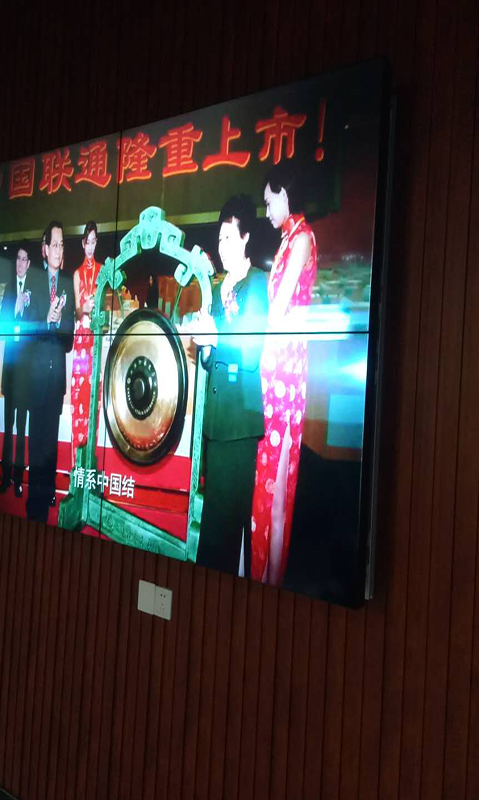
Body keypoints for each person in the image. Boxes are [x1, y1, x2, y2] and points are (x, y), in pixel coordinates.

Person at [191, 195, 268, 577]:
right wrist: (205, 343)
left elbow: (251, 352)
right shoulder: (222, 288)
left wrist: (216, 337)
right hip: (217, 423)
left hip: (239, 426)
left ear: (245, 238)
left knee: (224, 533)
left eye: (227, 238)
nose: (221, 246)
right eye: (218, 239)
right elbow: (210, 362)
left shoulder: (257, 285)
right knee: (213, 529)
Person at [250, 163, 318, 585]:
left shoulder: (303, 238)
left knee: (275, 478)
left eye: (270, 200)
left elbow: (277, 312)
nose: (267, 208)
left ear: (285, 195)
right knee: (267, 474)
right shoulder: (287, 241)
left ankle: (270, 578)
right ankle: (262, 571)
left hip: (285, 371)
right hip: (274, 366)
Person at [26, 221, 75, 522]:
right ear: (44, 249)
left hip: (56, 379)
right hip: (35, 379)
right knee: (37, 444)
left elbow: (69, 342)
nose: (58, 250)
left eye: (62, 244)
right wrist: (45, 320)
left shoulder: (67, 283)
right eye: (54, 244)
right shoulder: (33, 280)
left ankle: (45, 500)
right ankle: (34, 506)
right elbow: (26, 330)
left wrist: (58, 324)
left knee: (50, 447)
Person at [0, 245, 40, 498]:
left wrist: (25, 307)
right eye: (18, 259)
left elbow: (35, 327)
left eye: (24, 259)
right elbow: (2, 326)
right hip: (10, 370)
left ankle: (18, 479)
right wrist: (14, 307)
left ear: (29, 263)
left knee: (22, 429)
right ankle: (4, 477)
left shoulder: (33, 290)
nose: (20, 263)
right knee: (7, 428)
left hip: (25, 372)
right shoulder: (8, 291)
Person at [70, 221, 101, 468]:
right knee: (79, 395)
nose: (90, 247)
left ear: (96, 243)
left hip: (95, 340)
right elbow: (77, 311)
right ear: (82, 244)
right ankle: (76, 463)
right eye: (87, 242)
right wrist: (85, 308)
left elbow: (105, 307)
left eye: (93, 242)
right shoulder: (77, 274)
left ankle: (89, 462)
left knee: (93, 399)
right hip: (81, 341)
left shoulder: (102, 271)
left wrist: (95, 309)